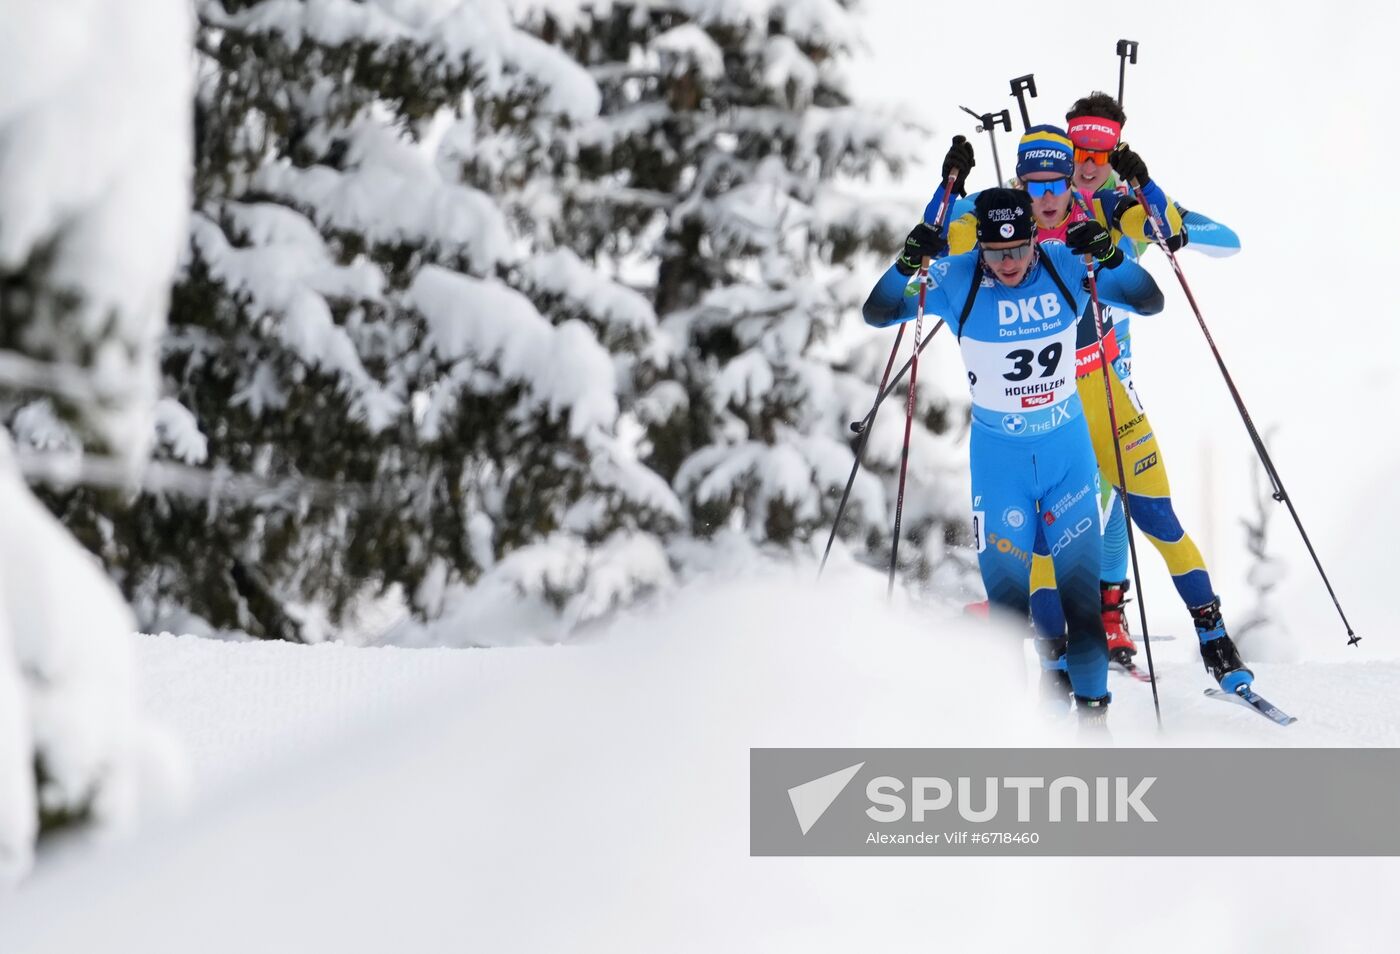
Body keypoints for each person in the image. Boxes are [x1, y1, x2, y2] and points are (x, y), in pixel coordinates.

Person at [863, 187, 1165, 728]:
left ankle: (1095, 729)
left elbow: (1148, 300)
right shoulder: (958, 278)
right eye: (996, 253)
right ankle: (1010, 731)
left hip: (1066, 454)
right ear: (979, 246)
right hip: (1000, 464)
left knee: (1082, 604)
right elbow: (879, 311)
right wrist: (907, 260)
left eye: (1019, 250)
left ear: (1034, 240)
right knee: (1006, 614)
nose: (1008, 264)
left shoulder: (1065, 262)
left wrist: (1109, 250)